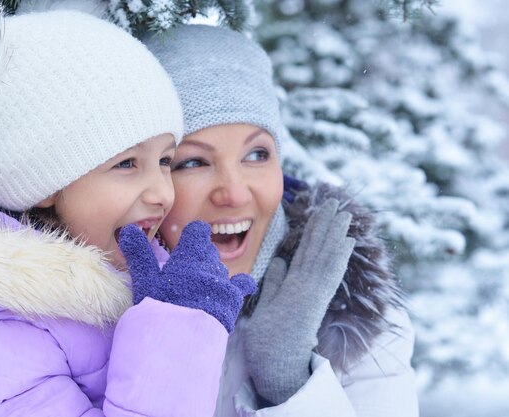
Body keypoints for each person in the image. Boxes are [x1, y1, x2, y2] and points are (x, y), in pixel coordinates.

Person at [0, 3, 255, 416]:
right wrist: (177, 336)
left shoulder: (123, 275)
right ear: (42, 183)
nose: (162, 193)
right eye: (127, 164)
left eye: (165, 161)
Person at [145, 24, 419, 416]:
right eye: (193, 162)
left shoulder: (354, 318)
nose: (235, 193)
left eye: (257, 155)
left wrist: (288, 385)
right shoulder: (93, 310)